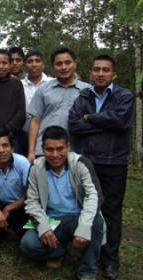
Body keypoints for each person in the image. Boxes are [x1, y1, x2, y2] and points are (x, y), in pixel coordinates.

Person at [68, 54, 135, 279]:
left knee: (111, 211)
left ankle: (110, 261)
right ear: (91, 73)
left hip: (113, 161)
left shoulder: (124, 95)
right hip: (87, 162)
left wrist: (90, 118)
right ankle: (89, 254)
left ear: (113, 74)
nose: (100, 73)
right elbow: (74, 126)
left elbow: (122, 121)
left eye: (106, 70)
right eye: (96, 69)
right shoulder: (83, 96)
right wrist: (103, 122)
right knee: (88, 208)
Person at [20, 126, 105, 280]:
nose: (55, 155)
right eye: (49, 149)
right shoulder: (36, 167)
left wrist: (84, 226)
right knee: (28, 245)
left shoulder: (81, 164)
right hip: (53, 220)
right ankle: (60, 250)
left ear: (68, 146)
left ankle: (87, 271)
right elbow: (31, 201)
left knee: (96, 223)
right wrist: (43, 227)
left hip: (77, 217)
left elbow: (94, 196)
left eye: (60, 149)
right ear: (42, 148)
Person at [27, 47, 90, 163]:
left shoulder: (87, 90)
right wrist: (31, 151)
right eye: (59, 64)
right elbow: (35, 121)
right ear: (53, 67)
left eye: (67, 62)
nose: (64, 67)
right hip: (45, 150)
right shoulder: (43, 89)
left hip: (77, 150)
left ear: (75, 64)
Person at [20, 49, 53, 156]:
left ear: (43, 65)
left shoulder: (52, 83)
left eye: (37, 61)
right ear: (24, 66)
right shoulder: (18, 85)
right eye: (30, 61)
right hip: (23, 135)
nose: (34, 64)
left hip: (47, 135)